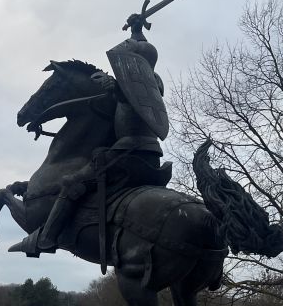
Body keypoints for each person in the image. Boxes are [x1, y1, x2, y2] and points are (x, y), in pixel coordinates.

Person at [11, 32, 172, 256]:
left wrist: (114, 87)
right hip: (148, 155)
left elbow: (131, 97)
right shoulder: (151, 82)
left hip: (128, 151)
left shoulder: (139, 81)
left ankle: (47, 238)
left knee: (72, 182)